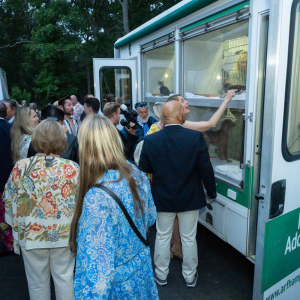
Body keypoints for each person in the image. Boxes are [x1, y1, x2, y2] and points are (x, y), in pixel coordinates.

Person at [69, 115, 158, 299]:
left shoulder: (96, 197)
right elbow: (150, 218)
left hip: (118, 288)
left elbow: (97, 275)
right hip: (141, 275)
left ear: (85, 148)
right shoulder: (137, 174)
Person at [139, 101, 216, 288]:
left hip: (163, 197)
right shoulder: (195, 138)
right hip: (190, 197)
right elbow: (205, 168)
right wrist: (211, 192)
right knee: (189, 237)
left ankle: (161, 274)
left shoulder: (151, 140)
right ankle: (190, 276)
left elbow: (144, 167)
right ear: (179, 116)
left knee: (162, 236)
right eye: (183, 110)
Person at [3, 120, 79, 300]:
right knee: (65, 279)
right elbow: (82, 203)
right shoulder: (72, 168)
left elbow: (8, 200)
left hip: (31, 236)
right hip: (64, 236)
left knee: (37, 284)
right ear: (62, 139)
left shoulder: (20, 168)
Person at [0, 102, 14, 254]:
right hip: (10, 175)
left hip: (1, 178)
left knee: (2, 215)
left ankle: (9, 243)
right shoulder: (10, 129)